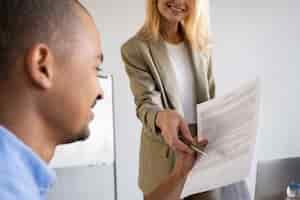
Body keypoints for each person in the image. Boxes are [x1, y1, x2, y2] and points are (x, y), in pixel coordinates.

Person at [0, 0, 206, 200]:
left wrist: (180, 173)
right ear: (42, 66)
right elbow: (146, 103)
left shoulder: (20, 181)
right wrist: (161, 117)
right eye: (95, 68)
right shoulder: (11, 188)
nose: (101, 92)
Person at [121, 0, 216, 199]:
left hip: (202, 151)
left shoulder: (201, 44)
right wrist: (161, 117)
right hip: (162, 157)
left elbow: (211, 98)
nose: (179, 1)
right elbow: (145, 104)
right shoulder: (135, 49)